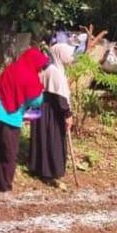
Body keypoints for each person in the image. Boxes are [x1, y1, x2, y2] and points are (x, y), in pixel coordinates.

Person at [0, 48, 48, 193]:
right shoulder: (30, 77)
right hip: (8, 117)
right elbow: (36, 101)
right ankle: (2, 185)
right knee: (8, 152)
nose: (41, 69)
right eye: (40, 66)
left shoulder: (11, 69)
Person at [28, 43, 76, 186]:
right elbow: (60, 97)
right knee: (52, 139)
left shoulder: (46, 68)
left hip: (40, 107)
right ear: (60, 55)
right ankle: (50, 171)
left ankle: (38, 168)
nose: (71, 57)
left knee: (41, 137)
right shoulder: (54, 71)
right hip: (51, 110)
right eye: (68, 54)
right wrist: (67, 114)